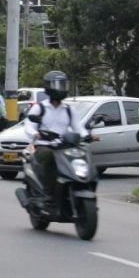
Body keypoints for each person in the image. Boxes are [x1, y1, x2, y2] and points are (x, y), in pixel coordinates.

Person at [24, 71, 88, 211]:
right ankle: (48, 194)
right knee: (49, 156)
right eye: (57, 85)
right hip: (44, 146)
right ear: (48, 87)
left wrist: (87, 135)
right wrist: (36, 134)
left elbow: (78, 128)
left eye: (63, 85)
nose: (60, 88)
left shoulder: (69, 110)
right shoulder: (39, 107)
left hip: (64, 147)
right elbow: (28, 125)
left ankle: (80, 186)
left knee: (82, 155)